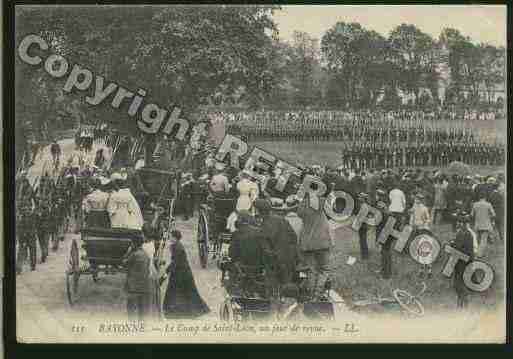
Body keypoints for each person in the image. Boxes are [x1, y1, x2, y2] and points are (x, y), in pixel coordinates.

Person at [163, 230, 210, 319]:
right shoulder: (177, 245)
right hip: (183, 271)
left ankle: (175, 311)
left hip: (181, 272)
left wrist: (166, 272)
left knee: (176, 291)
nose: (170, 238)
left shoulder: (175, 247)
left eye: (171, 236)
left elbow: (175, 262)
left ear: (175, 238)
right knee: (185, 292)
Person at [295, 193, 333, 298]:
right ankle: (318, 293)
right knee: (324, 269)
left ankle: (310, 294)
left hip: (308, 243)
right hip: (323, 242)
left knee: (311, 269)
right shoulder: (322, 202)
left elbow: (299, 213)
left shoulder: (302, 206)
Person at [228, 211, 271, 297]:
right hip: (258, 268)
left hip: (241, 269)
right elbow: (266, 251)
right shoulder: (260, 232)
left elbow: (231, 254)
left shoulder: (236, 234)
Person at [450, 212, 474, 309]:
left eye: (460, 222)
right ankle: (461, 303)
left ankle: (463, 304)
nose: (458, 224)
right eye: (458, 222)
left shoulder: (464, 233)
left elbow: (458, 247)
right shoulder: (465, 233)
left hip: (462, 262)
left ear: (464, 224)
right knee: (459, 283)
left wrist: (452, 244)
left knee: (458, 283)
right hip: (463, 261)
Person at [125, 234, 151, 321]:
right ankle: (141, 324)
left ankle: (131, 324)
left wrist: (129, 251)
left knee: (131, 307)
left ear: (134, 244)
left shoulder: (134, 254)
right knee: (142, 308)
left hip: (133, 286)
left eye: (132, 243)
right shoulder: (146, 255)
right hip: (144, 286)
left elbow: (124, 262)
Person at [409, 194, 432, 277]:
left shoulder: (424, 208)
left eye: (418, 199)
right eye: (416, 199)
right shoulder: (414, 208)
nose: (416, 200)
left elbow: (428, 219)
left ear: (421, 200)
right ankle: (422, 268)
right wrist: (411, 226)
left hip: (423, 229)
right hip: (416, 229)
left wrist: (423, 223)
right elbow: (412, 218)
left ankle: (427, 269)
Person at [471, 192, 496, 258]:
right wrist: (488, 216)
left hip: (477, 225)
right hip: (486, 225)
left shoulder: (475, 204)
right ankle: (479, 254)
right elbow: (494, 214)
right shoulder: (488, 204)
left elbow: (471, 215)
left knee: (477, 240)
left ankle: (478, 252)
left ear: (479, 198)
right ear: (485, 197)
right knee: (483, 240)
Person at [16, 198, 37, 274]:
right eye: (25, 208)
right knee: (21, 252)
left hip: (31, 237)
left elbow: (34, 227)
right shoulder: (21, 217)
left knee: (32, 252)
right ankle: (18, 268)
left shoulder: (32, 216)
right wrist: (21, 237)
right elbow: (19, 228)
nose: (26, 210)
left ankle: (33, 265)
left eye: (28, 208)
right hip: (24, 237)